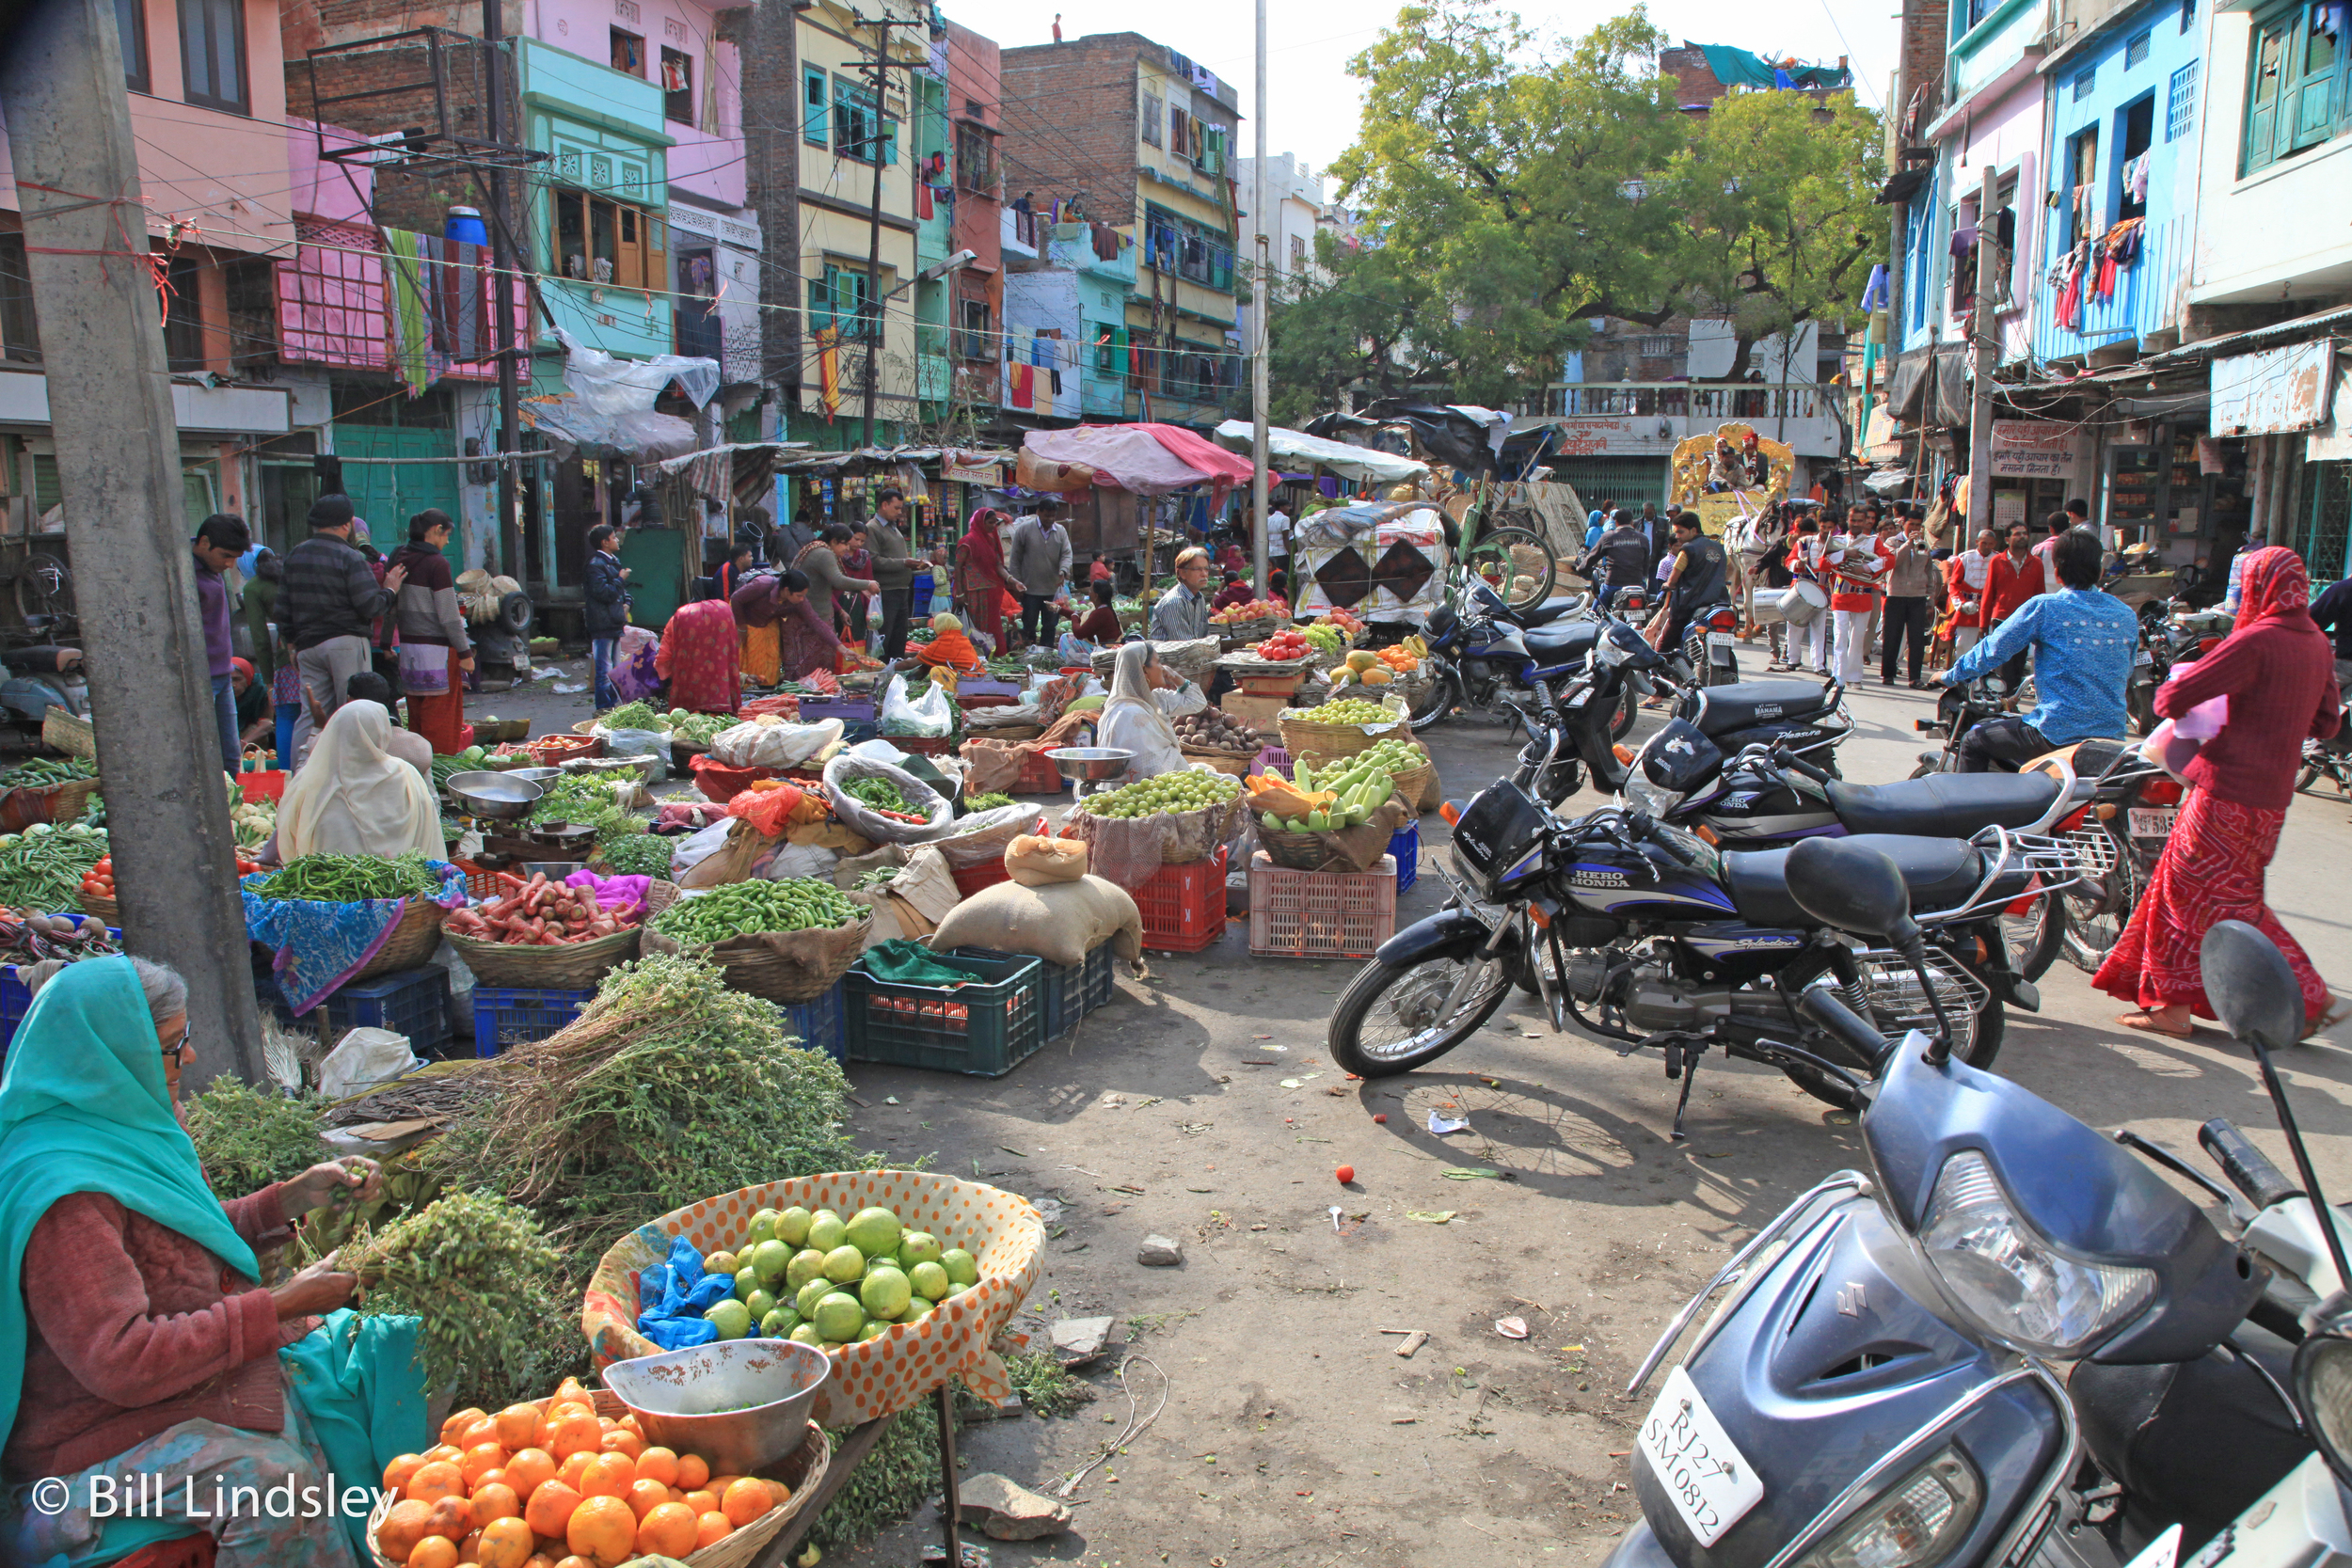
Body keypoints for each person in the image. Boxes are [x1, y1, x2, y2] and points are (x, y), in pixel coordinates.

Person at [0, 957, 408, 1568]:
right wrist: (281, 1304)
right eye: (172, 1046)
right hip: (80, 1451)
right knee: (273, 1484)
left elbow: (178, 1236)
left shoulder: (131, 1125)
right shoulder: (66, 1192)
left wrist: (290, 1198)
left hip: (153, 1395)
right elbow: (123, 1359)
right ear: (108, 1056)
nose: (188, 1059)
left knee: (372, 1357)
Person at [2095, 546, 2345, 1038]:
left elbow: (2169, 698)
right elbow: (2327, 721)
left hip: (2224, 792)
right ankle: (2303, 997)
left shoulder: (2256, 641)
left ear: (2257, 586)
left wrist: (2223, 695)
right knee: (2238, 897)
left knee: (2179, 894)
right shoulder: (2316, 642)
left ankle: (2180, 1007)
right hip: (2273, 800)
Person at [1940, 531, 2135, 771]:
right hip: (2111, 736)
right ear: (2100, 570)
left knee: (1973, 740)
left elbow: (1993, 650)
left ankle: (1969, 808)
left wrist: (1950, 675)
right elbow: (2125, 671)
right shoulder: (2125, 613)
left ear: (2057, 571)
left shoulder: (2045, 607)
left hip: (2056, 733)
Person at [278, 496, 404, 762]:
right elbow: (370, 606)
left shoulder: (295, 556)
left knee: (311, 716)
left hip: (307, 647)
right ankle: (354, 774)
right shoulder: (350, 557)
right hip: (345, 643)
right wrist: (390, 589)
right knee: (355, 711)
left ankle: (299, 779)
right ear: (347, 525)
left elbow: (282, 608)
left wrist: (291, 643)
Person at [278, 698, 441, 856]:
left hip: (329, 881)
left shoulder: (314, 779)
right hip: (403, 881)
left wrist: (316, 730)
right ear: (382, 732)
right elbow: (428, 826)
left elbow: (288, 833)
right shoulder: (405, 774)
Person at [384, 510, 473, 755]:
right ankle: (437, 774)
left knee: (417, 716)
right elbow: (448, 614)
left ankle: (418, 769)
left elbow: (390, 605)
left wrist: (385, 643)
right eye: (446, 535)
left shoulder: (398, 557)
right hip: (437, 652)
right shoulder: (437, 563)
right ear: (435, 530)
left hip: (409, 650)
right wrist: (465, 652)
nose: (446, 542)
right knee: (441, 719)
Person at [192, 514, 250, 773]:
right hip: (200, 678)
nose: (229, 564)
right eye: (225, 556)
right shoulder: (185, 573)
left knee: (230, 755)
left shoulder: (212, 569)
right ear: (204, 543)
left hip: (222, 674)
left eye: (234, 558)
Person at [1094, 641, 1187, 781]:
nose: (1163, 668)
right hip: (1142, 793)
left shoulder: (1147, 700)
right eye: (1158, 662)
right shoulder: (1132, 713)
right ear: (1144, 671)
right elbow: (1149, 769)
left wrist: (1176, 678)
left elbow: (1197, 703)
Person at [1979, 519, 2047, 691]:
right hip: (2002, 618)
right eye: (2017, 534)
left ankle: (2011, 698)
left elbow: (2040, 595)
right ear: (2008, 539)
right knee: (2003, 661)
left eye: (2025, 533)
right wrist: (1983, 623)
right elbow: (1988, 594)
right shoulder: (1997, 561)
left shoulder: (2036, 563)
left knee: (2019, 661)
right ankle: (2002, 696)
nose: (2022, 537)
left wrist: (2041, 624)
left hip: (2025, 620)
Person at [1823, 507, 1884, 687]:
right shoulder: (1838, 540)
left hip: (1862, 596)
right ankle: (1838, 677)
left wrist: (1865, 568)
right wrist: (1844, 554)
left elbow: (1889, 560)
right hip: (1841, 595)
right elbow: (1823, 563)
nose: (1855, 524)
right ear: (1847, 520)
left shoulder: (1873, 542)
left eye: (1859, 521)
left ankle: (1854, 676)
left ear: (1866, 522)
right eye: (1852, 520)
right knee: (1840, 637)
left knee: (1857, 639)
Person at [655, 594, 741, 713]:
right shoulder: (724, 610)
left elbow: (665, 653)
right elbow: (732, 648)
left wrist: (669, 676)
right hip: (722, 691)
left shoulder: (681, 615)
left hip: (689, 692)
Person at [1878, 510, 1932, 688]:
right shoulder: (1892, 541)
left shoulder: (1924, 545)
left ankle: (1915, 677)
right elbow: (1895, 561)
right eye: (1912, 525)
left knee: (1917, 638)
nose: (1915, 528)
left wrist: (1930, 597)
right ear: (1904, 524)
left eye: (1918, 525)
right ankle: (1888, 673)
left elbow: (1929, 571)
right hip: (1896, 594)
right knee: (1892, 635)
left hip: (1917, 595)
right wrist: (1909, 543)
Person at [798, 522, 879, 641]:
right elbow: (838, 580)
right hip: (814, 615)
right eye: (845, 544)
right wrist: (867, 584)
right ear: (834, 541)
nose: (847, 548)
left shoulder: (816, 548)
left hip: (811, 612)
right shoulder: (825, 553)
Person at [1007, 504, 1074, 645]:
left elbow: (1067, 554)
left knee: (1050, 625)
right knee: (1029, 624)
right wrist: (1016, 582)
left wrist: (1063, 570)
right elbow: (1015, 558)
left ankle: (1046, 651)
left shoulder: (1060, 531)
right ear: (1038, 512)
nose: (1050, 519)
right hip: (1030, 588)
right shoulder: (1025, 530)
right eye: (1047, 515)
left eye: (1053, 516)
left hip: (1052, 588)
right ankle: (1029, 650)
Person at [1659, 512, 1726, 652]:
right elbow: (1729, 570)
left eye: (1680, 532)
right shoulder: (1719, 547)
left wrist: (1667, 585)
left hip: (1689, 603)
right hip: (1718, 601)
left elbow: (1672, 580)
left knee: (1664, 645)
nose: (1677, 536)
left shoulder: (1687, 549)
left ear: (1694, 530)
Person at [584, 522, 631, 711]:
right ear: (604, 542)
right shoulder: (595, 565)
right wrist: (621, 579)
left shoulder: (612, 561)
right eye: (613, 537)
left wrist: (628, 602)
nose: (617, 540)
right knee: (604, 670)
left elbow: (621, 593)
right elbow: (604, 593)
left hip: (614, 621)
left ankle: (612, 706)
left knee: (615, 669)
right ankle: (603, 708)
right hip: (602, 623)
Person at [956, 509, 1014, 653]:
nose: (993, 526)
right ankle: (974, 658)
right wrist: (959, 594)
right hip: (972, 594)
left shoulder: (991, 541)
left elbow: (998, 565)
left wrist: (1011, 579)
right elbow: (957, 568)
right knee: (975, 628)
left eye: (995, 522)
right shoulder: (967, 541)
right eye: (990, 522)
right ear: (980, 522)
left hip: (991, 593)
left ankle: (995, 656)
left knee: (993, 626)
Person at [866, 487, 915, 658]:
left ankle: (896, 671)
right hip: (887, 591)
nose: (900, 512)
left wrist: (912, 564)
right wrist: (904, 563)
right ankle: (882, 673)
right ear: (884, 505)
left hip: (901, 589)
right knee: (885, 637)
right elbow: (873, 560)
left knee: (899, 637)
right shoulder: (873, 528)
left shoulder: (894, 528)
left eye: (901, 508)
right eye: (896, 508)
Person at [1784, 515, 1830, 675]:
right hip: (1800, 588)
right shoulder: (1803, 542)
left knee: (1819, 628)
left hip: (1821, 590)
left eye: (1830, 528)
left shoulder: (1836, 545)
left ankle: (1819, 665)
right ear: (1820, 527)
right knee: (1794, 625)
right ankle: (1793, 659)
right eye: (1824, 527)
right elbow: (1789, 561)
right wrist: (1797, 563)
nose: (1826, 531)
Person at [1944, 529, 1995, 660]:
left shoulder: (1998, 559)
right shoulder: (1965, 557)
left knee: (1989, 648)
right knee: (1962, 646)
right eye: (1984, 543)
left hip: (1989, 607)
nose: (1987, 547)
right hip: (1968, 607)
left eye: (1990, 544)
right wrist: (1961, 604)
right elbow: (1954, 585)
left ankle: (1983, 678)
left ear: (1994, 544)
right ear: (1977, 542)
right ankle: (1962, 675)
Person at [1580, 508, 1650, 600]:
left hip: (1613, 584)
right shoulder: (1643, 538)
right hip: (1637, 584)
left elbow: (1592, 557)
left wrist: (1581, 568)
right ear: (1632, 522)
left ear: (1616, 522)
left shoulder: (1608, 537)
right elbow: (1646, 563)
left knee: (1597, 610)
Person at [1152, 546, 1213, 641]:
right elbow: (1184, 646)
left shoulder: (1200, 598)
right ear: (1182, 573)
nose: (1204, 574)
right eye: (1198, 569)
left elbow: (1204, 636)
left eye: (1206, 569)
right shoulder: (1174, 603)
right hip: (1173, 654)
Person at [241, 548, 280, 690]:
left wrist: (269, 683)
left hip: (289, 658)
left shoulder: (253, 588)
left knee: (289, 710)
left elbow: (260, 639)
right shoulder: (292, 574)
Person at [230, 658, 270, 749]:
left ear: (248, 677)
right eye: (228, 680)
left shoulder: (262, 689)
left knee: (253, 729)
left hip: (250, 735)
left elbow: (267, 724)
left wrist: (243, 744)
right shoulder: (220, 691)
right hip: (229, 734)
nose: (232, 685)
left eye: (237, 680)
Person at [1073, 579, 1122, 645]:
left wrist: (1074, 616)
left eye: (1090, 590)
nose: (1089, 593)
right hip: (1105, 644)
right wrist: (1060, 609)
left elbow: (1079, 634)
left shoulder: (1100, 613)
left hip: (1104, 648)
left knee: (1065, 638)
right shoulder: (1105, 609)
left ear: (1096, 596)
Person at [1266, 503, 1292, 579]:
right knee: (1283, 575)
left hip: (1271, 552)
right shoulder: (1285, 519)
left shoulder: (1269, 519)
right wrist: (1291, 553)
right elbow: (1285, 537)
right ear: (1281, 507)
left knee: (1273, 574)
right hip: (1282, 552)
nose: (1289, 508)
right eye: (1288, 506)